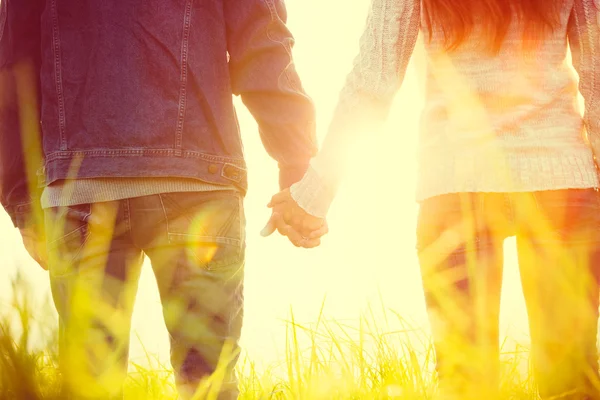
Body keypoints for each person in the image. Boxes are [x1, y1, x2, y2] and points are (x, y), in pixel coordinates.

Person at [263, 0, 600, 398]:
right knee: (571, 379)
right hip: (560, 181)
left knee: (465, 384)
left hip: (455, 185)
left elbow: (374, 81)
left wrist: (313, 195)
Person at [0, 0, 317, 398]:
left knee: (88, 387)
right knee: (207, 385)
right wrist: (297, 161)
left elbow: (11, 56)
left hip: (81, 184)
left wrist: (21, 198)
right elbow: (260, 37)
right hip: (199, 183)